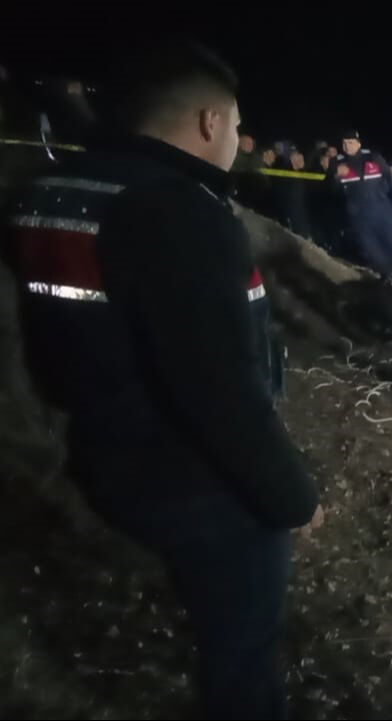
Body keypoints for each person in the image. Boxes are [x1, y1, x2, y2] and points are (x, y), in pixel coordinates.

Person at [3, 43, 318, 718]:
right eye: (235, 124)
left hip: (101, 444)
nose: (237, 139)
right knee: (244, 658)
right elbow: (219, 393)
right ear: (209, 122)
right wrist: (291, 499)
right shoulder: (179, 213)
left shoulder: (53, 190)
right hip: (197, 477)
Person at [328, 129, 392, 277]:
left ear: (358, 143)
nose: (347, 146)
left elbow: (390, 179)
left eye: (350, 143)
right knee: (373, 252)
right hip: (358, 217)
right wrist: (336, 176)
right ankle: (388, 278)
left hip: (382, 213)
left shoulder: (372, 157)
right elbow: (328, 190)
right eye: (344, 143)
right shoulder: (336, 162)